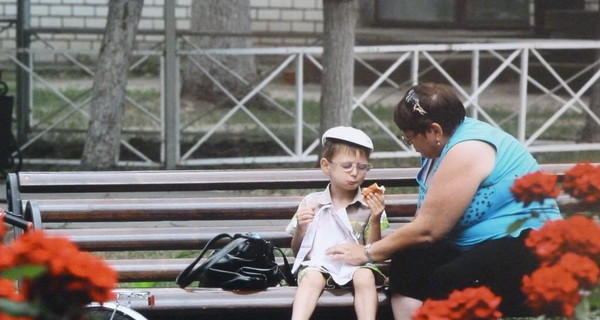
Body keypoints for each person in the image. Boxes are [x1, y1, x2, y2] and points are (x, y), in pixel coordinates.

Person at [325, 83, 562, 319]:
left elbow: (429, 230)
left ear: (435, 131)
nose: (412, 146)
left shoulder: (467, 150)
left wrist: (367, 253)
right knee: (409, 262)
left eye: (410, 139)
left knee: (448, 280)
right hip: (478, 246)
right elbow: (422, 226)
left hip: (527, 246)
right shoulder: (436, 151)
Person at [286, 126, 390, 320]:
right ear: (326, 166)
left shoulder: (369, 205)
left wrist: (375, 219)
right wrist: (301, 227)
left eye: (362, 167)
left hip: (359, 265)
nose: (354, 173)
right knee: (311, 278)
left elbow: (373, 252)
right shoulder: (311, 202)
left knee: (364, 276)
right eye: (347, 166)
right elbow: (298, 251)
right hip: (319, 264)